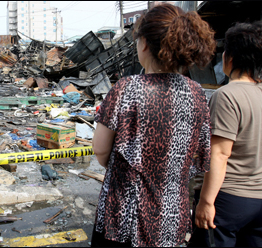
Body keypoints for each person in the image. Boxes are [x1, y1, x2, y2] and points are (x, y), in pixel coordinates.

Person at [91, 3, 216, 247]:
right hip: (172, 217)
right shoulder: (197, 93)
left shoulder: (126, 88)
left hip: (124, 217)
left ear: (145, 43)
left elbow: (101, 150)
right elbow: (201, 155)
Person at [192, 21, 262, 247]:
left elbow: (220, 155)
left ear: (230, 57)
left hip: (228, 201)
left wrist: (206, 201)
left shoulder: (227, 95)